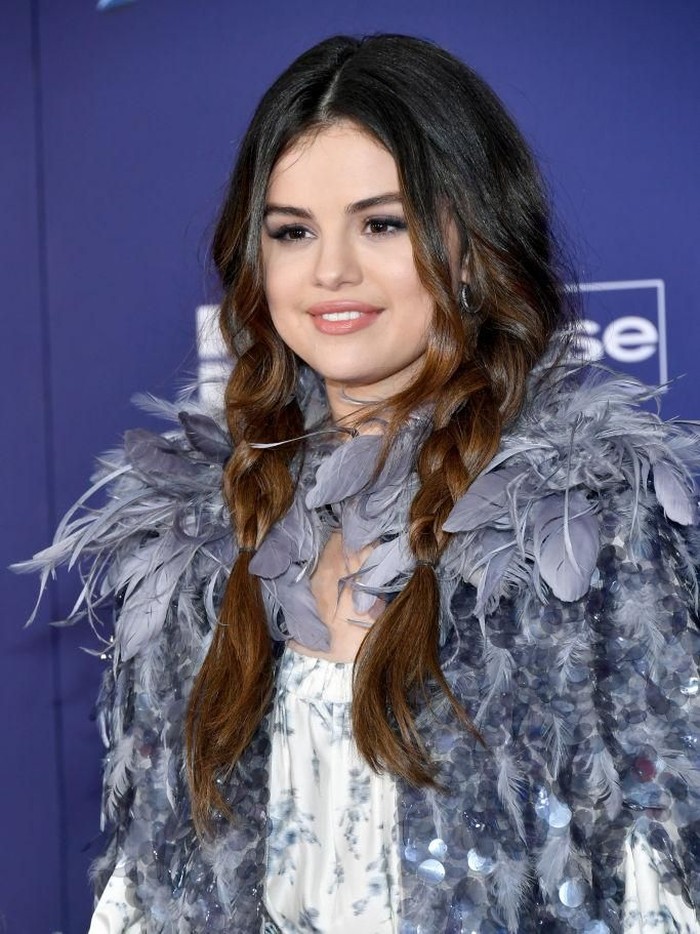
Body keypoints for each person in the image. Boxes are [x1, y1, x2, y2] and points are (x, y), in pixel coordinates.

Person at [19, 33, 700, 933]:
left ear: (472, 239)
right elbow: (152, 884)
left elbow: (661, 866)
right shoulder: (196, 532)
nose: (330, 270)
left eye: (383, 223)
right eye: (292, 231)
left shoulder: (598, 521)